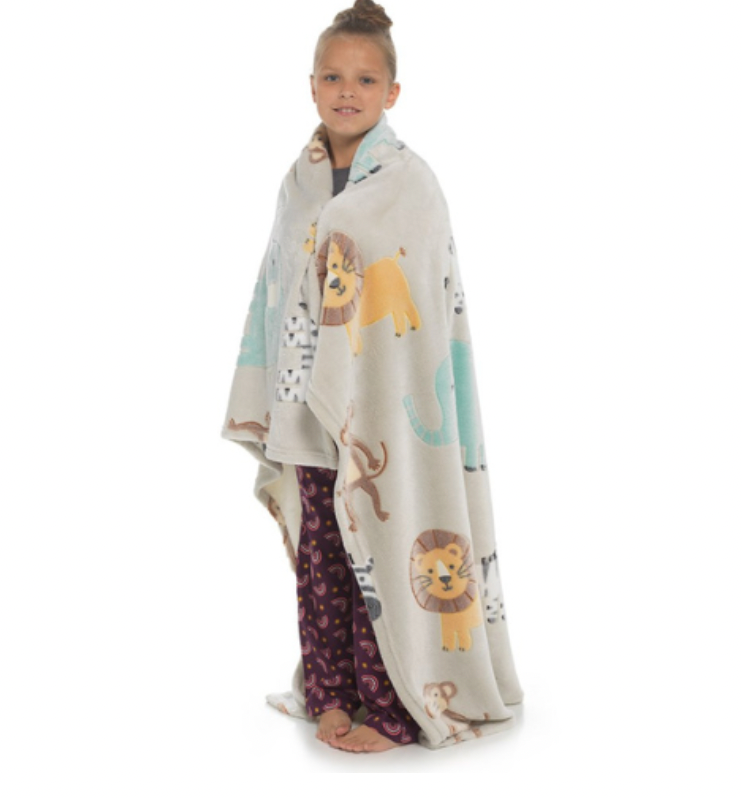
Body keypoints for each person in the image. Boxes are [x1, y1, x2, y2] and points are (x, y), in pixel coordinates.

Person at [222, 0, 523, 755]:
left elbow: (421, 307)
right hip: (305, 406)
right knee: (322, 556)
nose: (346, 91)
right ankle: (332, 692)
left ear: (392, 92)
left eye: (363, 79)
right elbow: (276, 289)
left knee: (382, 550)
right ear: (311, 86)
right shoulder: (298, 182)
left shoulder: (410, 183)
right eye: (332, 77)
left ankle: (391, 706)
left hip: (383, 408)